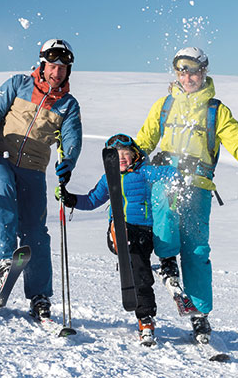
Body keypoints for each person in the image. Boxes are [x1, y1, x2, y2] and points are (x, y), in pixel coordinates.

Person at [134, 47, 238, 342]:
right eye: (182, 71)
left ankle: (200, 315)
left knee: (197, 249)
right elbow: (144, 140)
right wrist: (126, 156)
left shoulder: (216, 111)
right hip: (166, 178)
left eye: (193, 71)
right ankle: (166, 261)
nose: (187, 77)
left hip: (199, 185)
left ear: (204, 72)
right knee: (163, 209)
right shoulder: (163, 106)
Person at [0, 39, 82, 319]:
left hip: (34, 167)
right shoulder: (18, 84)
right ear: (42, 64)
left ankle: (40, 296)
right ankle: (2, 261)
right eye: (53, 65)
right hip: (0, 156)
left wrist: (67, 161)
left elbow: (71, 138)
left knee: (35, 230)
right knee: (3, 188)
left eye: (63, 67)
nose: (58, 72)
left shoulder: (68, 105)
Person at [57, 134, 181, 344]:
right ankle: (119, 237)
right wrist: (70, 199)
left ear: (135, 155)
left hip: (145, 232)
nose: (122, 159)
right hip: (120, 229)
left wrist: (172, 173)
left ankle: (146, 319)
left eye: (126, 154)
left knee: (140, 273)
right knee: (123, 230)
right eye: (116, 156)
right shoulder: (108, 178)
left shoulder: (145, 172)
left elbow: (172, 174)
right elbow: (92, 200)